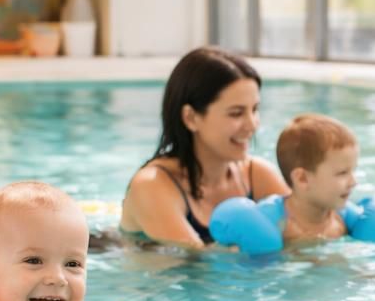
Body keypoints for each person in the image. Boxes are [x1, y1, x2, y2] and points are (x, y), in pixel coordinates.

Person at [120, 47, 289, 248]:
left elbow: (305, 231)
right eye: (236, 113)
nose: (252, 125)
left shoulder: (257, 174)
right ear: (191, 118)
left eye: (254, 110)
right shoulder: (152, 186)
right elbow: (197, 262)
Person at [274, 114, 360, 244]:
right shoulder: (281, 227)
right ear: (302, 179)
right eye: (342, 173)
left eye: (353, 171)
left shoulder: (342, 223)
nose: (353, 182)